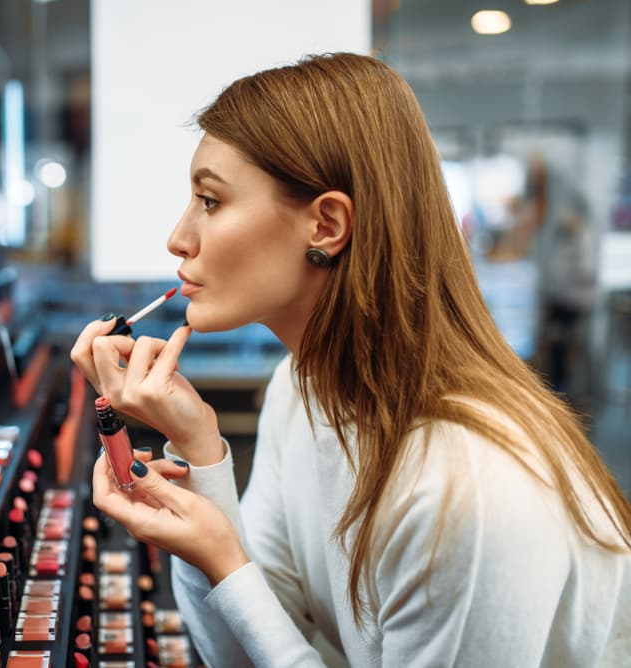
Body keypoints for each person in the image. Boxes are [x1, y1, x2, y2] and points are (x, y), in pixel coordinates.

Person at [70, 53, 631, 667]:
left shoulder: (465, 488)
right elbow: (242, 650)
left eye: (210, 200)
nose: (178, 238)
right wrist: (198, 449)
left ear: (327, 224)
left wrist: (224, 559)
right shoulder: (301, 388)